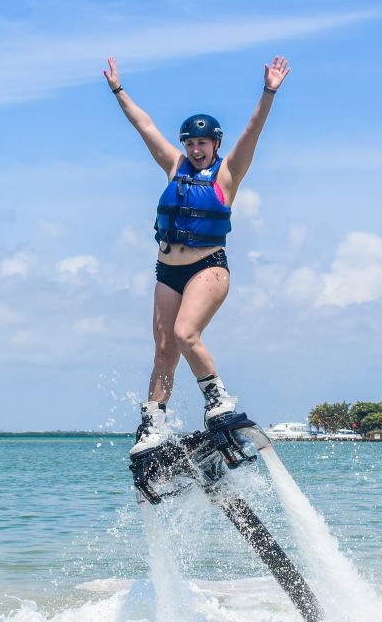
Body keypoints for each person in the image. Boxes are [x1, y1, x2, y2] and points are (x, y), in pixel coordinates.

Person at [104, 55, 291, 456]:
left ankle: (217, 399)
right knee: (164, 352)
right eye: (189, 142)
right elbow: (144, 126)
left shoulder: (228, 173)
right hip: (167, 272)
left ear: (215, 144)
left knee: (185, 333)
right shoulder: (174, 165)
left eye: (202, 143)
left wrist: (269, 91)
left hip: (208, 269)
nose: (195, 148)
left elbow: (253, 129)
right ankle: (154, 425)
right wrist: (119, 90)